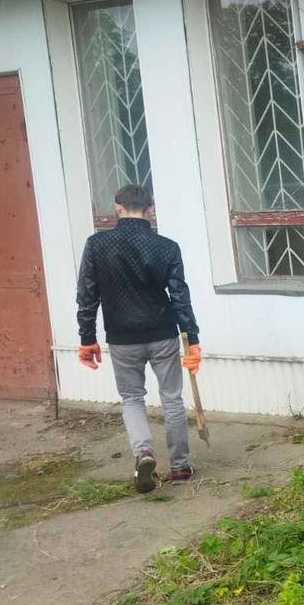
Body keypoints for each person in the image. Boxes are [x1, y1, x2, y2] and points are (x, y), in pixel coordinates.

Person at [75, 184, 201, 494]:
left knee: (132, 398)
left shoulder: (96, 245)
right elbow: (180, 297)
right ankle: (180, 466)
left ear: (117, 207)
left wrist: (87, 338)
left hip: (122, 338)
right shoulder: (167, 247)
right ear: (150, 210)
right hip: (162, 333)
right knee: (171, 397)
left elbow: (87, 295)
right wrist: (192, 337)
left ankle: (144, 453)